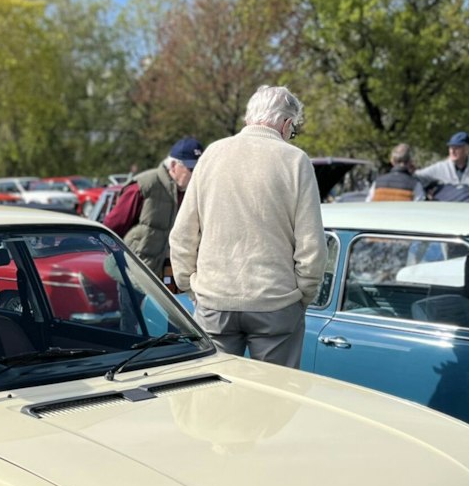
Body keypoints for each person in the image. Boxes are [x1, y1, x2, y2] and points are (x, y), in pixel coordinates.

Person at [169, 85, 327, 367]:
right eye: (293, 130)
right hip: (275, 300)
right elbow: (312, 245)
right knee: (275, 402)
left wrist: (191, 287)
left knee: (212, 398)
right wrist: (304, 294)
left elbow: (182, 235)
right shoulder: (295, 160)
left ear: (248, 118)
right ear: (286, 124)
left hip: (214, 297)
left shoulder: (212, 154)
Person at [102, 137, 202, 276]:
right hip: (135, 275)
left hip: (169, 278)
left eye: (200, 169)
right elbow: (111, 228)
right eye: (192, 169)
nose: (196, 174)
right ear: (173, 165)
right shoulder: (145, 186)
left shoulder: (192, 194)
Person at [415, 131, 469, 203]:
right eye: (451, 147)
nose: (452, 151)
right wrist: (423, 196)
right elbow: (416, 177)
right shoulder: (440, 167)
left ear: (467, 149)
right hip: (446, 213)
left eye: (457, 147)